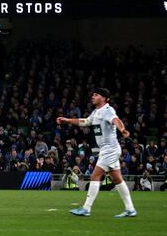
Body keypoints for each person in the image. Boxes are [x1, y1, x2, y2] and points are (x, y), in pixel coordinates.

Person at [57, 88, 137, 217]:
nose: (93, 96)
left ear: (104, 98)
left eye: (96, 94)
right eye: (93, 94)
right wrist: (67, 120)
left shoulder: (107, 110)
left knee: (95, 176)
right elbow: (85, 122)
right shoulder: (96, 112)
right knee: (117, 179)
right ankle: (130, 209)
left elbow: (116, 120)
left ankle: (86, 208)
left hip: (110, 149)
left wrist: (122, 129)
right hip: (109, 149)